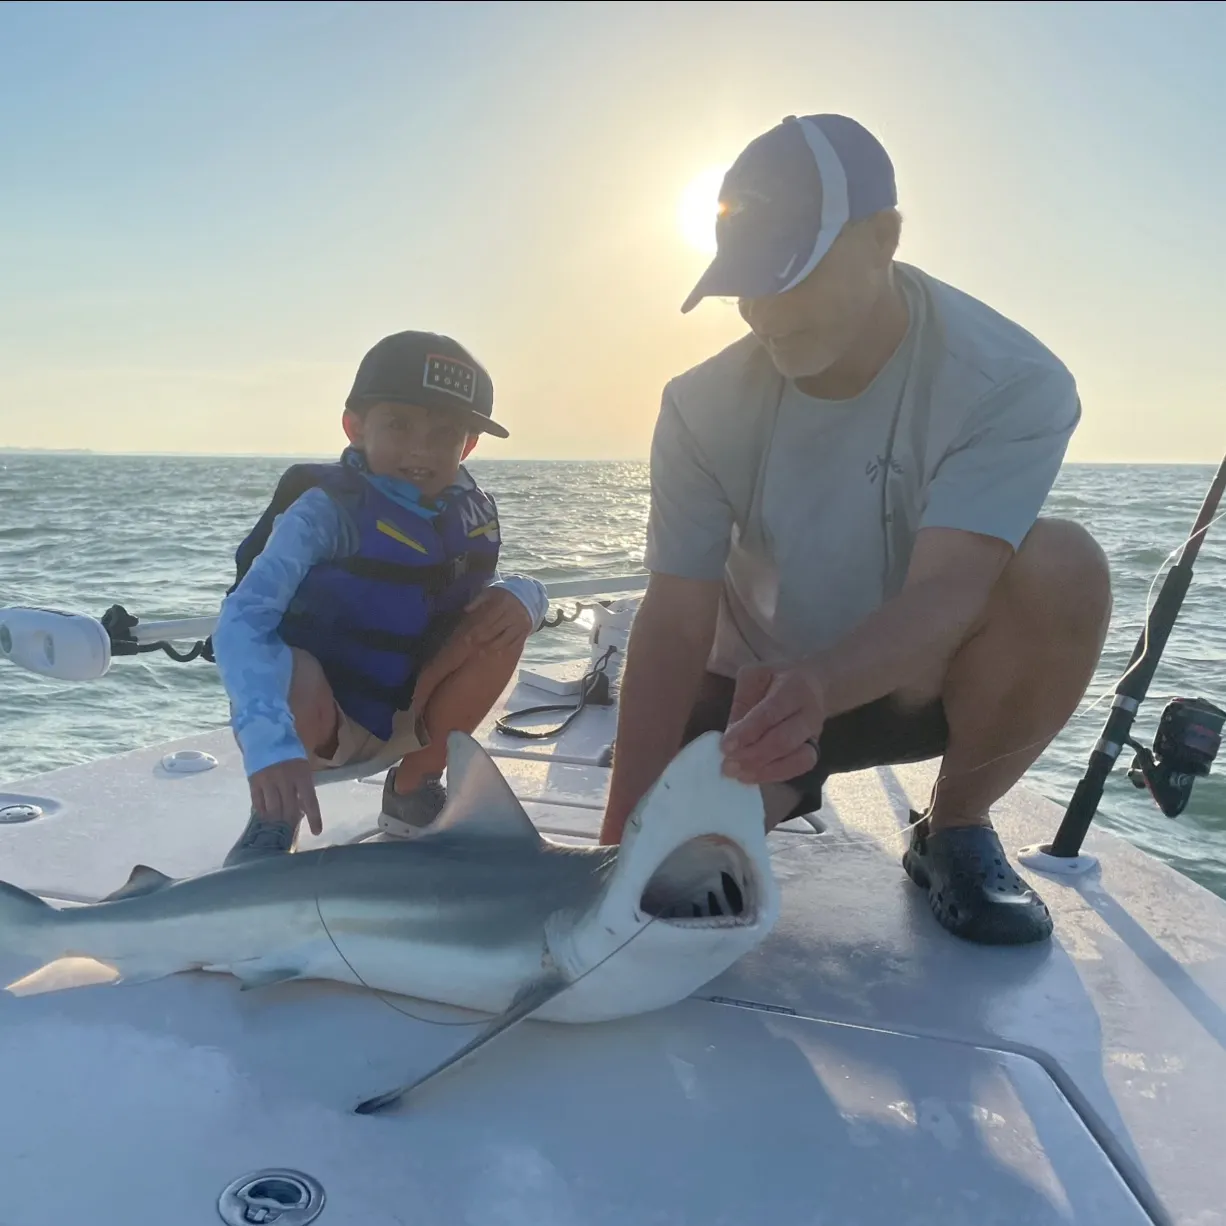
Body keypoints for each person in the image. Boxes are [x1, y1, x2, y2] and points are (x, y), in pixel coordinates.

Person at [599, 113, 1112, 945]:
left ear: (884, 239)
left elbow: (955, 586)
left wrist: (826, 684)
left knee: (1063, 563)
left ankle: (954, 829)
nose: (765, 313)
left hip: (907, 688)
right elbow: (675, 616)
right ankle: (744, 801)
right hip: (749, 706)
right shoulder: (699, 404)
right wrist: (617, 845)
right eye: (745, 284)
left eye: (791, 276)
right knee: (663, 884)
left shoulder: (1011, 381)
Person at [213, 330, 547, 865]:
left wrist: (528, 597)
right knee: (293, 667)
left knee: (503, 617)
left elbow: (477, 596)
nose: (422, 448)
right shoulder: (324, 512)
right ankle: (273, 818)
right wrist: (266, 743)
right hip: (323, 723)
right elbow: (241, 621)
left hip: (409, 705)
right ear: (354, 426)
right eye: (399, 424)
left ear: (469, 445)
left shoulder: (468, 509)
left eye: (445, 432)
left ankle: (412, 790)